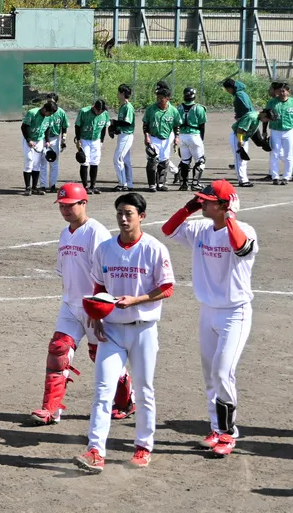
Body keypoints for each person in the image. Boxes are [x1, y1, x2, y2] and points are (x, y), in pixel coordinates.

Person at [73, 192, 174, 474]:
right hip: (113, 330)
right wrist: (97, 315)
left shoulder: (154, 249)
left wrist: (136, 300)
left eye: (129, 213)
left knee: (143, 390)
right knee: (103, 391)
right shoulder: (105, 249)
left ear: (141, 216)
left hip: (143, 329)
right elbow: (97, 288)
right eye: (119, 212)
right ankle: (95, 451)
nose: (123, 218)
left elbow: (167, 288)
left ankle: (143, 446)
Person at [162, 180, 256, 458]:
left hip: (234, 313)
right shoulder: (200, 229)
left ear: (223, 205)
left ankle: (228, 434)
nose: (201, 202)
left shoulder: (244, 230)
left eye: (206, 200)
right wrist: (188, 208)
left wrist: (230, 219)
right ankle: (217, 429)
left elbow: (241, 247)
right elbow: (169, 230)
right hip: (208, 311)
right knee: (209, 376)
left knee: (222, 372)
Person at [29, 182, 137, 424]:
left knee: (102, 357)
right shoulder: (65, 233)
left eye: (70, 205)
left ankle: (126, 400)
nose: (65, 210)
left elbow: (106, 274)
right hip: (70, 304)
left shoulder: (95, 232)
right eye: (62, 205)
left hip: (94, 306)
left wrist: (100, 309)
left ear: (83, 203)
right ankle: (51, 409)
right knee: (58, 350)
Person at [142, 87, 181, 192]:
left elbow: (176, 125)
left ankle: (160, 183)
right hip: (154, 138)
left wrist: (177, 137)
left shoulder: (173, 111)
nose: (159, 100)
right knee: (152, 160)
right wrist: (146, 136)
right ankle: (152, 185)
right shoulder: (151, 109)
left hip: (166, 139)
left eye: (161, 98)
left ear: (167, 98)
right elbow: (145, 124)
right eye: (158, 98)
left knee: (164, 161)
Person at [21, 99, 57, 196]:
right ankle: (27, 187)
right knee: (29, 161)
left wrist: (48, 140)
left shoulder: (49, 117)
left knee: (37, 164)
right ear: (45, 109)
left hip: (40, 140)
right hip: (28, 139)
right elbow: (24, 127)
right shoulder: (32, 113)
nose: (50, 115)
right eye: (49, 113)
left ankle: (34, 187)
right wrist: (28, 140)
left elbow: (48, 128)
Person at [74, 99, 109, 195]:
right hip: (84, 139)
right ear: (95, 108)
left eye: (102, 111)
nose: (101, 113)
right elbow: (77, 126)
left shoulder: (105, 114)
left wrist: (101, 140)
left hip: (96, 140)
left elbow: (104, 128)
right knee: (84, 161)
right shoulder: (84, 112)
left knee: (95, 161)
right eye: (100, 111)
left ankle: (93, 186)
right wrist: (78, 139)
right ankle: (85, 186)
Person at [177, 87, 207, 190]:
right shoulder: (199, 108)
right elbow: (202, 125)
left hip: (182, 136)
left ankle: (183, 184)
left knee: (184, 161)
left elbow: (176, 124)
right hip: (194, 136)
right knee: (200, 161)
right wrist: (201, 139)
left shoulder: (179, 108)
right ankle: (195, 184)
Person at [39, 93, 69, 193]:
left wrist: (63, 139)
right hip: (43, 138)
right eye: (48, 100)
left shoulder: (61, 112)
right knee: (42, 162)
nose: (49, 102)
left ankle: (52, 185)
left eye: (51, 100)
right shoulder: (43, 111)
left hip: (55, 138)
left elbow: (64, 126)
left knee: (54, 162)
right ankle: (42, 185)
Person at [264, 81, 292, 184]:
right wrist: (264, 131)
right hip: (275, 130)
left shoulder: (292, 102)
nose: (282, 93)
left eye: (284, 91)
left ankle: (286, 177)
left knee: (289, 155)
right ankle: (275, 176)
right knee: (274, 154)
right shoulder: (272, 102)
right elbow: (265, 116)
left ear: (288, 92)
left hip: (289, 130)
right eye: (280, 91)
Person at [111, 84, 135, 192]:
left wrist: (115, 123)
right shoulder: (122, 106)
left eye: (119, 92)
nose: (117, 94)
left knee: (118, 158)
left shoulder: (128, 107)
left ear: (123, 94)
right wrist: (116, 127)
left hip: (126, 135)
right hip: (123, 135)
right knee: (125, 160)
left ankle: (123, 184)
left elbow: (127, 122)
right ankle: (128, 184)